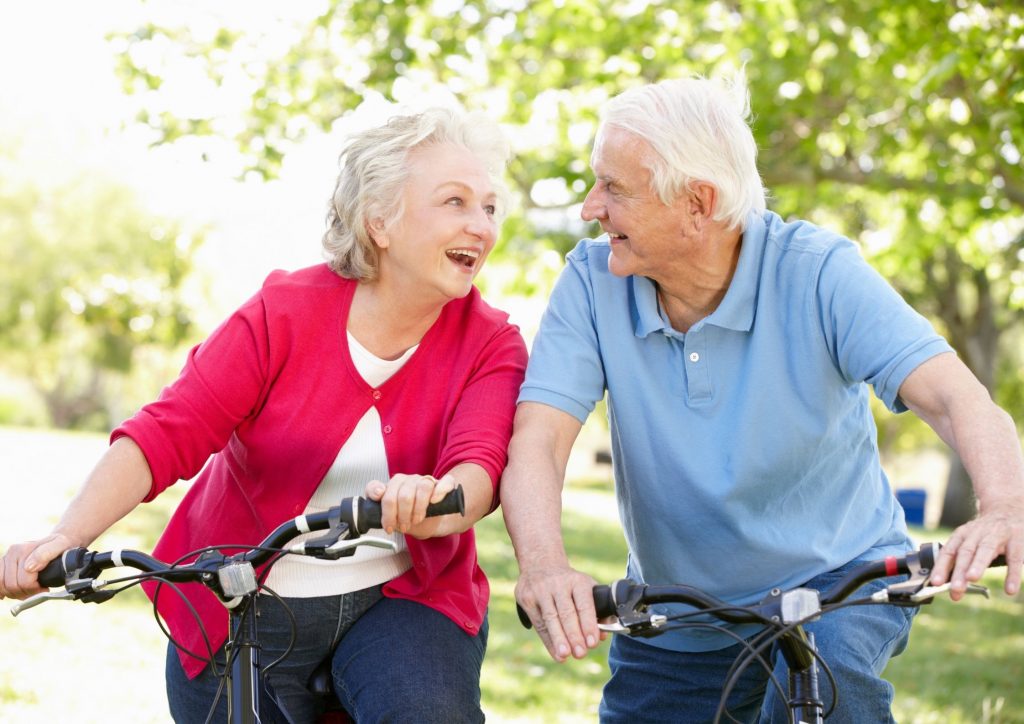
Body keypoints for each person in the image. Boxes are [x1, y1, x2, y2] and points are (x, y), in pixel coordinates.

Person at [501, 72, 1024, 723]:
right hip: (682, 612)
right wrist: (545, 568)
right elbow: (540, 441)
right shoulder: (591, 282)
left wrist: (1004, 505)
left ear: (697, 203)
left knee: (819, 694)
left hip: (840, 584)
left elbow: (953, 397)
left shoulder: (818, 272)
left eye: (614, 189)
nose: (589, 207)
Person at [0, 106, 527, 723]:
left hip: (402, 599)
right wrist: (68, 538)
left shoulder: (492, 342)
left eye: (489, 208)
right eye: (456, 202)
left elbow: (479, 468)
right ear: (380, 220)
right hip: (240, 602)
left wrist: (436, 501)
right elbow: (167, 433)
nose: (481, 227)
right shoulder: (284, 314)